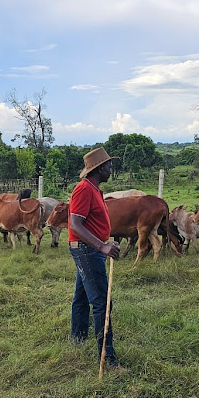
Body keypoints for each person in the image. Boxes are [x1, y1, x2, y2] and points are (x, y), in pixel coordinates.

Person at [67, 146, 125, 371]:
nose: (111, 169)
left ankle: (78, 340)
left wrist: (106, 241)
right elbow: (75, 224)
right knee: (102, 303)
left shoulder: (94, 189)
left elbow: (91, 223)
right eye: (109, 165)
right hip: (87, 250)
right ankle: (107, 359)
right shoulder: (84, 190)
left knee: (81, 298)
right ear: (99, 168)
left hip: (90, 249)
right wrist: (102, 246)